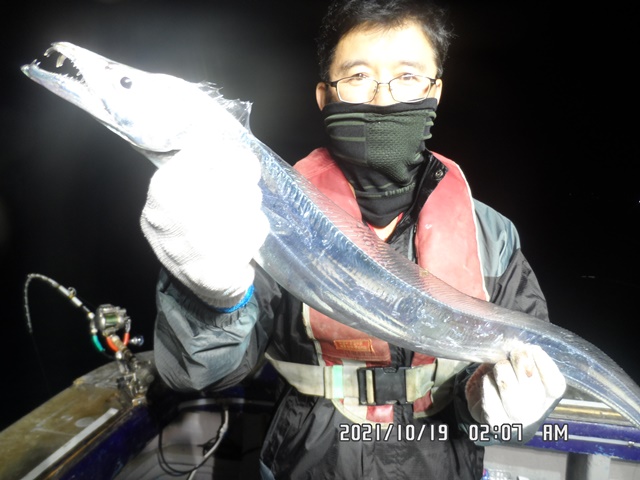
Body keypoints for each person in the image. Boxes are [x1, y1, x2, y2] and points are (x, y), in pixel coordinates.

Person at [140, 0, 567, 478]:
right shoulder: (262, 219)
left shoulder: (492, 235)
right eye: (359, 76)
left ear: (435, 91)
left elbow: (530, 381)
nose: (382, 100)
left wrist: (496, 404)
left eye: (407, 76)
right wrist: (209, 298)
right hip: (312, 461)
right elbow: (198, 372)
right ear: (325, 95)